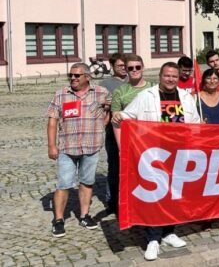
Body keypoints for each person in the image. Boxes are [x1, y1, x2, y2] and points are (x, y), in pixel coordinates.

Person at [116, 62, 201, 261]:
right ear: (160, 76)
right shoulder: (146, 96)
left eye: (174, 76)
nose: (170, 79)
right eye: (167, 76)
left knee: (173, 195)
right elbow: (128, 115)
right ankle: (153, 239)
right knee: (155, 197)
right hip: (154, 154)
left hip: (179, 154)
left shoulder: (186, 98)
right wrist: (118, 117)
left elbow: (195, 123)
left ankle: (169, 232)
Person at [46, 63, 109, 237]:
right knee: (64, 184)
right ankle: (58, 220)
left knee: (87, 182)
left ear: (87, 77)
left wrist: (102, 123)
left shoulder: (101, 93)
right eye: (71, 75)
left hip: (92, 145)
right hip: (67, 147)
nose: (73, 78)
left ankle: (84, 215)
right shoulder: (61, 94)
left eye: (77, 75)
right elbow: (52, 121)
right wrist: (52, 145)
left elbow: (108, 110)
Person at [109, 54, 153, 216]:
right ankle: (133, 211)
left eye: (137, 67)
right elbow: (116, 120)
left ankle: (153, 210)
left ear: (143, 68)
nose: (134, 71)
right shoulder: (120, 91)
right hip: (132, 143)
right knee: (133, 178)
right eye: (130, 68)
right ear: (126, 70)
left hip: (152, 141)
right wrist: (122, 147)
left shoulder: (154, 87)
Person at [99, 52, 127, 215]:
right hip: (113, 130)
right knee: (115, 165)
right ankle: (112, 200)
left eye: (125, 66)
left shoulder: (133, 80)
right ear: (112, 67)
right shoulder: (106, 83)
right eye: (119, 66)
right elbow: (101, 105)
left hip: (133, 130)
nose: (123, 69)